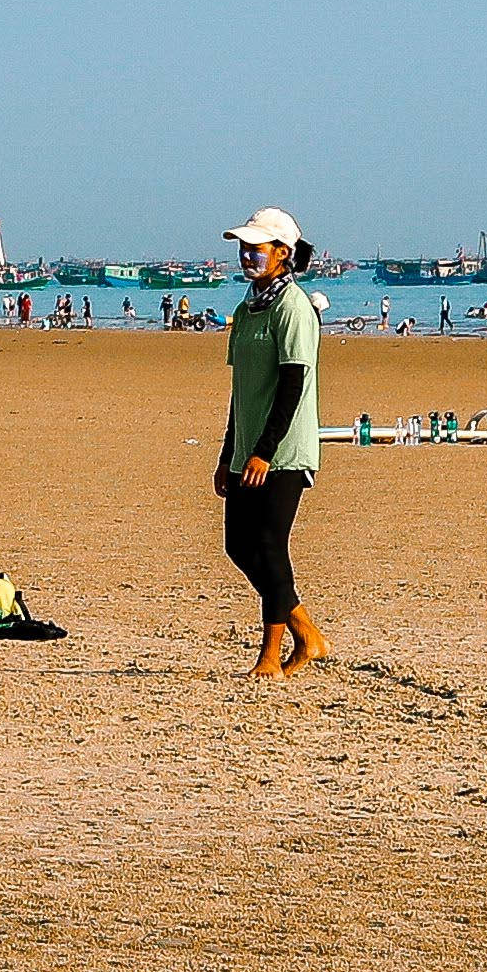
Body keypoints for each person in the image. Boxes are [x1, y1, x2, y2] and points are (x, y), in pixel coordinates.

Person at [220, 206, 325, 674]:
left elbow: (291, 385)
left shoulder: (293, 309)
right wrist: (230, 453)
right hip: (248, 451)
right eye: (244, 246)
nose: (246, 254)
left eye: (255, 247)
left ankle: (270, 655)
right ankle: (306, 631)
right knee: (238, 547)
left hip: (283, 452)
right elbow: (240, 391)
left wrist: (264, 451)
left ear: (283, 253)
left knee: (269, 546)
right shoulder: (246, 310)